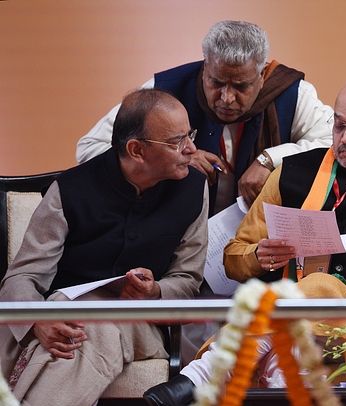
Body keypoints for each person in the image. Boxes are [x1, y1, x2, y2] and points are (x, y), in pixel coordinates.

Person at [143, 74, 346, 406]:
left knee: (324, 286)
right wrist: (260, 256)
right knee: (288, 349)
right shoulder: (291, 174)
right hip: (291, 326)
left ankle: (204, 373)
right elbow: (233, 257)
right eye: (339, 126)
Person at [0, 88, 209, 406]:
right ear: (137, 150)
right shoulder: (69, 190)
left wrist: (154, 292)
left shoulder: (195, 190)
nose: (192, 149)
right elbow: (21, 277)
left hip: (141, 325)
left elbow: (188, 281)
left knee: (90, 325)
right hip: (65, 315)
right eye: (176, 141)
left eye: (189, 135)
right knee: (82, 323)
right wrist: (38, 320)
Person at [76, 20, 333, 215]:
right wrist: (169, 159)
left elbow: (334, 144)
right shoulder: (163, 90)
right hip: (171, 236)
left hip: (262, 243)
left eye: (241, 86)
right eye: (217, 82)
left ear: (263, 74)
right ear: (205, 66)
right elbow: (89, 148)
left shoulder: (292, 93)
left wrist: (271, 160)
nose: (226, 98)